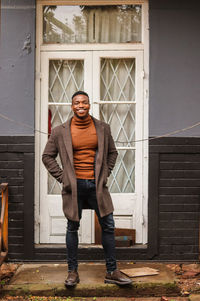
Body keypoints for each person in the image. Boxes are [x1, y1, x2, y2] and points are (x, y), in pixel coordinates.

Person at [42, 91, 132, 287]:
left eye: (84, 102)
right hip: (73, 187)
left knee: (108, 226)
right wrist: (62, 177)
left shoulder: (102, 128)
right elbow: (47, 156)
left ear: (89, 105)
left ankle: (111, 271)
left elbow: (112, 153)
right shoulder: (60, 131)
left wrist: (105, 174)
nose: (80, 105)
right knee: (72, 227)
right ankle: (72, 272)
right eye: (76, 102)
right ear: (72, 106)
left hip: (96, 186)